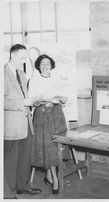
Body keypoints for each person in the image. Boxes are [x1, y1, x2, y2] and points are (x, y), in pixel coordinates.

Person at [4, 44, 42, 199]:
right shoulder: (3, 73)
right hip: (10, 126)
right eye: (22, 57)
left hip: (26, 123)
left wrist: (33, 101)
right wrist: (23, 103)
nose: (24, 60)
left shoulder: (22, 73)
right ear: (12, 55)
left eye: (26, 57)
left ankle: (23, 185)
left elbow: (24, 97)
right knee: (9, 161)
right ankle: (6, 191)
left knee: (25, 159)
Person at [28, 54, 68, 195]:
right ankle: (54, 178)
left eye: (48, 63)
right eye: (42, 63)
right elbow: (31, 99)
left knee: (55, 144)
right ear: (38, 66)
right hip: (42, 115)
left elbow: (64, 98)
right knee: (46, 145)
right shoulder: (34, 79)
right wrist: (37, 101)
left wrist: (61, 98)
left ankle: (49, 175)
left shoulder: (56, 78)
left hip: (56, 114)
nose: (45, 65)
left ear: (51, 65)